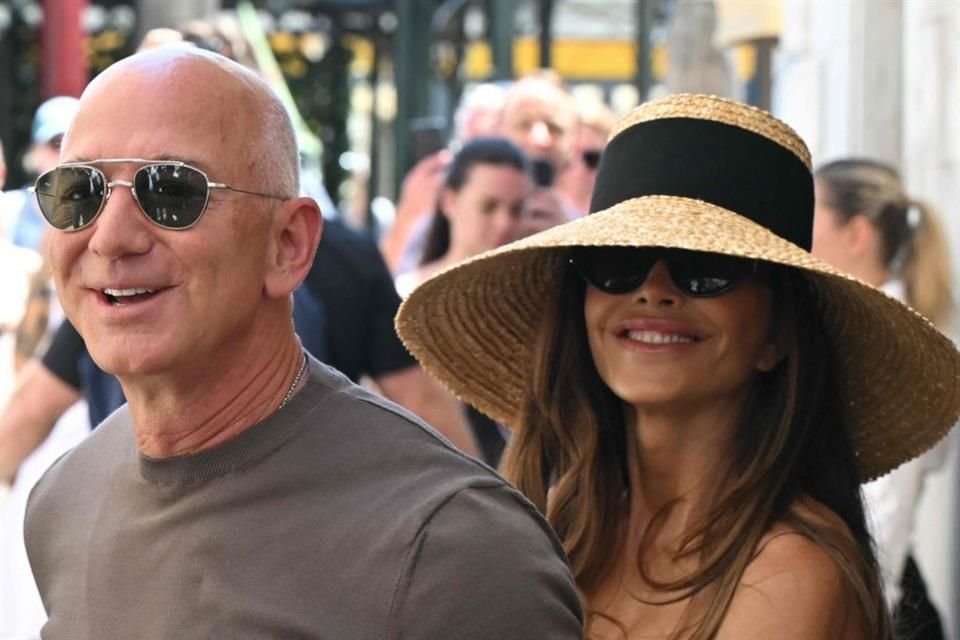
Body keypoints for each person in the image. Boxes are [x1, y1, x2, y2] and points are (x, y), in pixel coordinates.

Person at [23, 47, 583, 637]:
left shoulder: (452, 549)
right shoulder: (66, 500)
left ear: (288, 244)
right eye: (78, 191)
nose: (111, 237)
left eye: (172, 192)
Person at [397, 93, 960, 638]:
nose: (654, 290)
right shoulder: (560, 525)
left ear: (779, 333)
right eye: (617, 261)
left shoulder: (792, 570)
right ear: (581, 304)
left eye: (705, 266)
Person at [813, 158, 954, 639]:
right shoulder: (856, 333)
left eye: (812, 216)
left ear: (857, 233)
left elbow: (883, 514)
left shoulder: (894, 347)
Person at [394, 137, 531, 466]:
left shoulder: (534, 309)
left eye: (516, 209)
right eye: (489, 206)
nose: (504, 223)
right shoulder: (402, 297)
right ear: (449, 201)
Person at [0, 96, 81, 251]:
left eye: (71, 144)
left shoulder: (103, 214)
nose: (65, 156)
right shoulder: (7, 209)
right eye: (57, 144)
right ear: (36, 151)